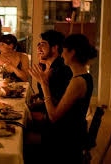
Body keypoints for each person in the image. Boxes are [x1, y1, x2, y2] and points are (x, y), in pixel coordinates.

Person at [29, 34, 97, 163]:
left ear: (72, 53)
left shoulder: (78, 82)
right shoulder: (84, 77)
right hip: (71, 131)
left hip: (66, 138)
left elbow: (53, 116)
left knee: (22, 137)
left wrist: (44, 85)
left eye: (64, 51)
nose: (62, 55)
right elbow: (62, 104)